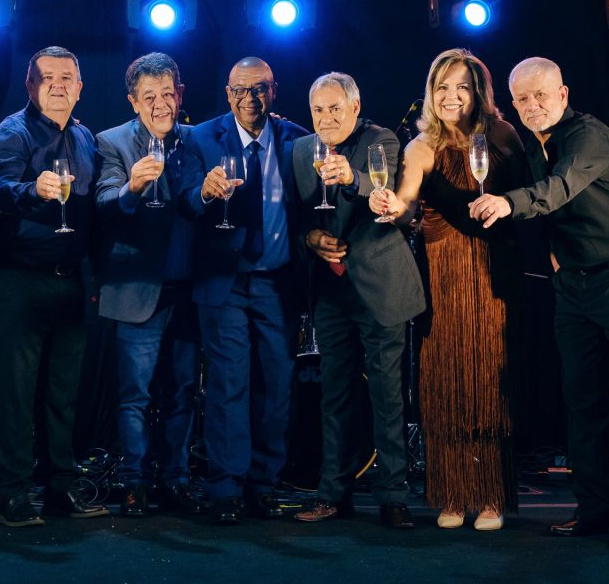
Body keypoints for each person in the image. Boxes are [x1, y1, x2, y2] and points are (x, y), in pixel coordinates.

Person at [469, 56, 609, 549]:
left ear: (563, 94)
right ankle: (595, 510)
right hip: (575, 287)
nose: (532, 105)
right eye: (522, 98)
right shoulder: (532, 145)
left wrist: (507, 203)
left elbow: (557, 190)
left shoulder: (589, 137)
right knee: (583, 404)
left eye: (541, 94)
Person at [371, 50, 524, 530]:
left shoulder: (502, 135)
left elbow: (528, 198)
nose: (451, 96)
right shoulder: (421, 146)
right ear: (430, 94)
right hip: (442, 277)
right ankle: (454, 495)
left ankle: (491, 495)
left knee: (489, 381)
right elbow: (406, 204)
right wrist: (390, 206)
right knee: (446, 382)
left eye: (462, 87)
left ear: (478, 92)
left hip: (494, 275)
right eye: (442, 87)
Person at [177, 56, 307, 525]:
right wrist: (204, 192)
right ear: (227, 94)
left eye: (260, 89)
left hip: (278, 280)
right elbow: (184, 199)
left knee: (276, 385)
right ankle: (226, 488)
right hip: (224, 281)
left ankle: (264, 485)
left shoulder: (297, 139)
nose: (250, 99)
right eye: (240, 90)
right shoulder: (200, 138)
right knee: (229, 384)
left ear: (274, 91)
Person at [292, 72, 425, 528]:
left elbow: (381, 192)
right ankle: (333, 494)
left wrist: (352, 179)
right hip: (331, 292)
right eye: (318, 110)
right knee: (335, 396)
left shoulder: (379, 139)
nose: (326, 118)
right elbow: (294, 217)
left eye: (335, 108)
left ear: (354, 106)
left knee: (387, 397)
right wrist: (309, 238)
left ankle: (393, 496)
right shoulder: (300, 150)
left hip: (380, 289)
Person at [0, 46, 107, 526]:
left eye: (67, 77)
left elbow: (95, 211)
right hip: (21, 280)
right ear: (30, 86)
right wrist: (32, 190)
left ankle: (61, 488)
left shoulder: (85, 138)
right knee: (17, 395)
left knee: (63, 395)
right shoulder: (12, 133)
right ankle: (13, 493)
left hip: (70, 282)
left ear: (80, 88)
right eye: (48, 77)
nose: (58, 85)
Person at [95, 52, 203, 517]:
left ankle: (177, 479)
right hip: (137, 289)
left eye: (167, 93)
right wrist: (132, 188)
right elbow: (104, 204)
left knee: (183, 393)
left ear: (180, 94)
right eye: (149, 96)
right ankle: (134, 482)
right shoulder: (112, 141)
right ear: (133, 102)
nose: (160, 104)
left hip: (189, 290)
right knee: (135, 396)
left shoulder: (197, 140)